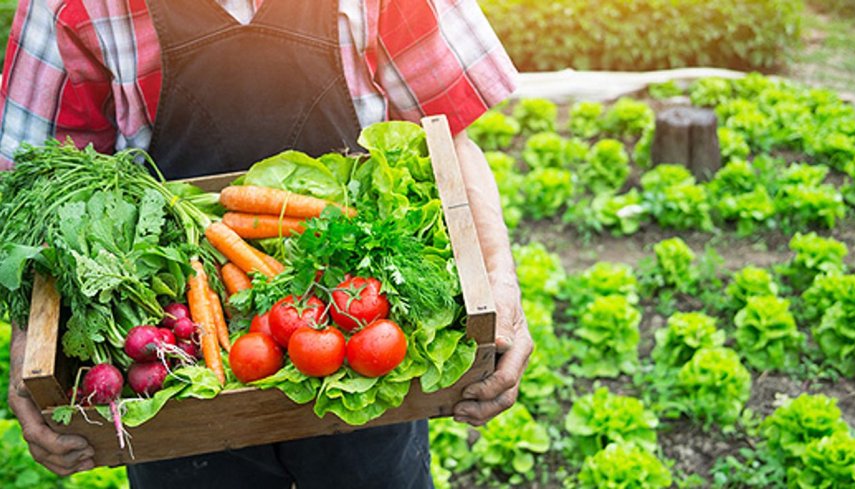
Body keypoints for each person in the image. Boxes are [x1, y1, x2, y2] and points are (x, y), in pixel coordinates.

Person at [1, 0, 533, 487]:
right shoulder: (70, 5)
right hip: (183, 370)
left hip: (360, 342)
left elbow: (449, 136)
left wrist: (501, 291)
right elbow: (41, 194)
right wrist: (31, 354)